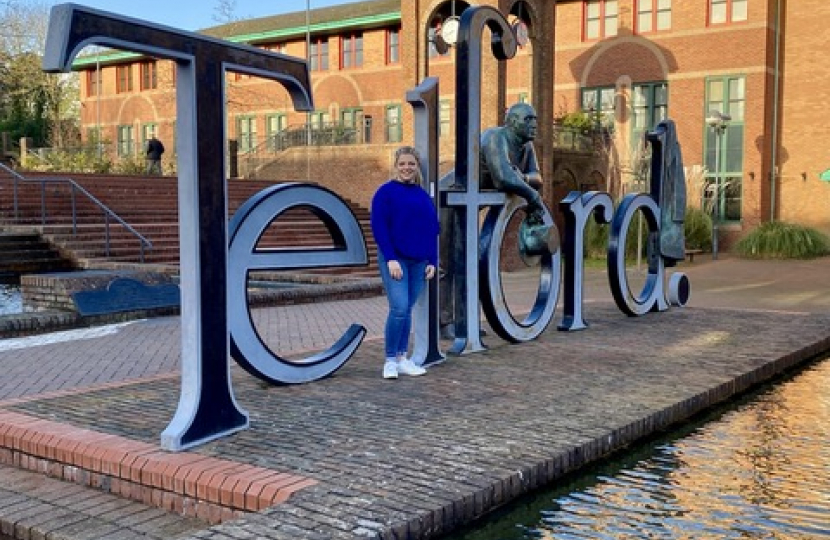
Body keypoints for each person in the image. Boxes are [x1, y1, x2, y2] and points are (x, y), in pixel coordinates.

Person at [439, 102, 547, 337]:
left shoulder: (526, 146)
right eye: (528, 119)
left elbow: (538, 177)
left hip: (471, 202)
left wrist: (524, 179)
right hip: (448, 198)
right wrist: (532, 194)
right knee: (447, 263)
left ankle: (466, 320)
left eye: (535, 119)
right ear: (512, 122)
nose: (534, 125)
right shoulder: (495, 137)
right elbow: (502, 178)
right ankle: (444, 322)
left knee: (469, 263)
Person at [370, 146, 439, 379]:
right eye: (402, 164)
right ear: (396, 166)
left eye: (411, 164)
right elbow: (380, 228)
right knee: (398, 308)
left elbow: (432, 229)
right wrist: (390, 258)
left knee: (407, 309)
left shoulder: (422, 195)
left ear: (417, 166)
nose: (406, 168)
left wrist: (433, 260)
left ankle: (402, 358)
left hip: (419, 261)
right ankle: (389, 360)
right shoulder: (385, 193)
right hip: (396, 259)